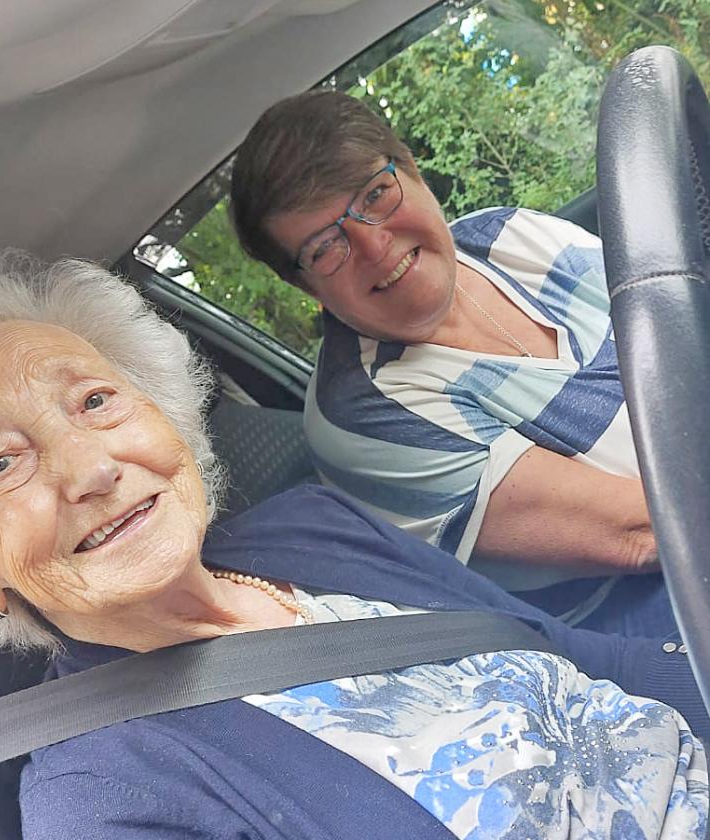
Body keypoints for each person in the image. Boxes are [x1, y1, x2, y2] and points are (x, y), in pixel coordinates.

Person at [0, 252, 706, 839]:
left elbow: (577, 658)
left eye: (94, 401)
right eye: (3, 462)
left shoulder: (315, 525)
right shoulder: (105, 800)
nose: (90, 468)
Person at [230, 89, 663, 633]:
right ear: (303, 284)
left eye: (375, 194)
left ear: (412, 170)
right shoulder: (365, 412)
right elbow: (643, 533)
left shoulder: (509, 234)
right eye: (323, 248)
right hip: (655, 617)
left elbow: (674, 320)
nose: (374, 245)